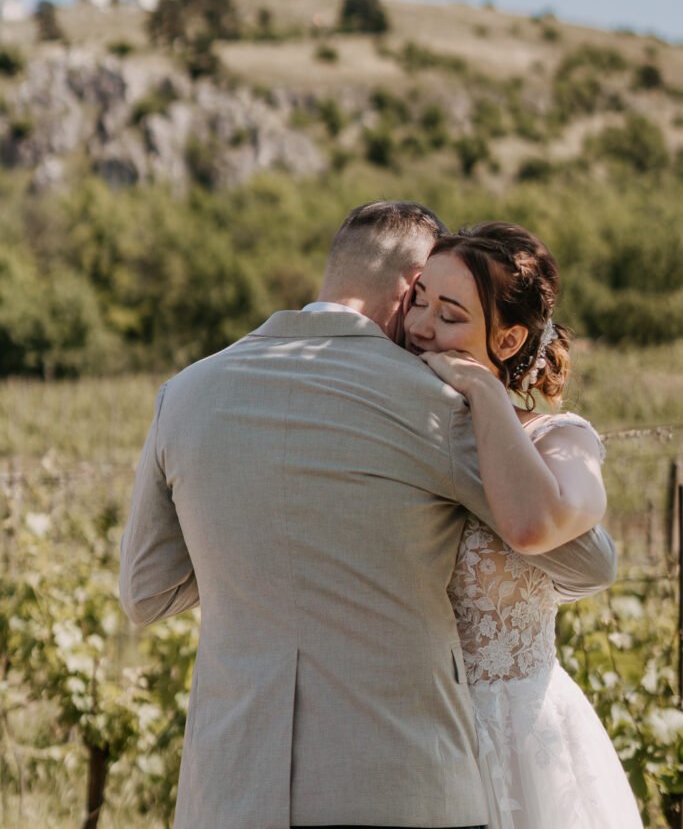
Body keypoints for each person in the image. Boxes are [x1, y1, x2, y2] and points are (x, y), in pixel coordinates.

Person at [120, 201, 617, 829]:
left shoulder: (184, 394)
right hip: (399, 785)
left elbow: (146, 592)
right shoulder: (434, 404)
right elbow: (583, 559)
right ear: (412, 288)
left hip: (229, 792)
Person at [404, 221, 642, 828]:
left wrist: (482, 392)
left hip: (521, 740)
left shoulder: (559, 439)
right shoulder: (398, 428)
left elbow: (535, 526)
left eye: (449, 315)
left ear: (507, 340)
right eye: (418, 300)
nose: (420, 327)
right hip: (409, 736)